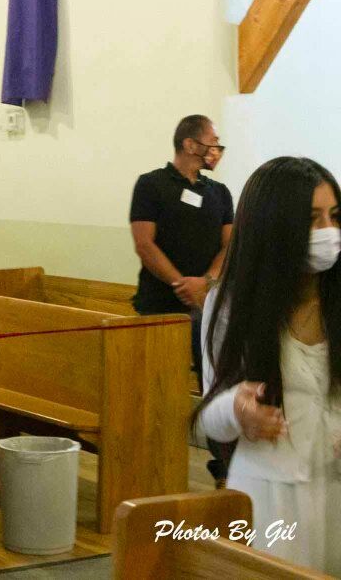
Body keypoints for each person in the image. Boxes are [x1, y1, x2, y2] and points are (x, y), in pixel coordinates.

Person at [196, 157, 341, 574]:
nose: (328, 232)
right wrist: (238, 411)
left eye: (334, 216)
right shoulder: (232, 303)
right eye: (312, 220)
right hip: (270, 497)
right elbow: (210, 415)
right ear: (275, 227)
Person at [130, 115, 233, 373]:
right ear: (190, 145)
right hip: (159, 306)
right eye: (213, 142)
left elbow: (230, 245)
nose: (217, 150)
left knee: (211, 382)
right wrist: (183, 285)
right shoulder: (151, 185)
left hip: (207, 305)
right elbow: (144, 244)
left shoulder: (220, 192)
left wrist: (206, 283)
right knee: (159, 380)